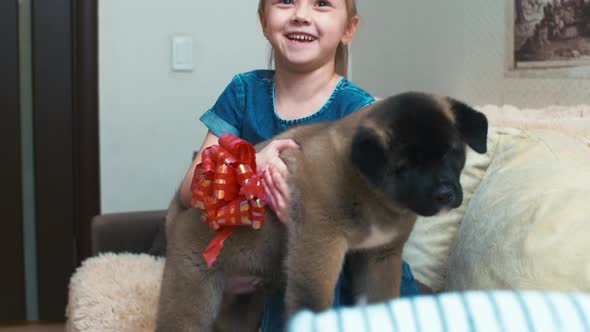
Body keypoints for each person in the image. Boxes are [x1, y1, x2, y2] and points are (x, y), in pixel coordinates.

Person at [178, 0, 419, 330]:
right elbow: (188, 190)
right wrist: (247, 167)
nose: (301, 15)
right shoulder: (243, 94)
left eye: (322, 3)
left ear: (349, 29)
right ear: (264, 21)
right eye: (286, 1)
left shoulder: (360, 114)